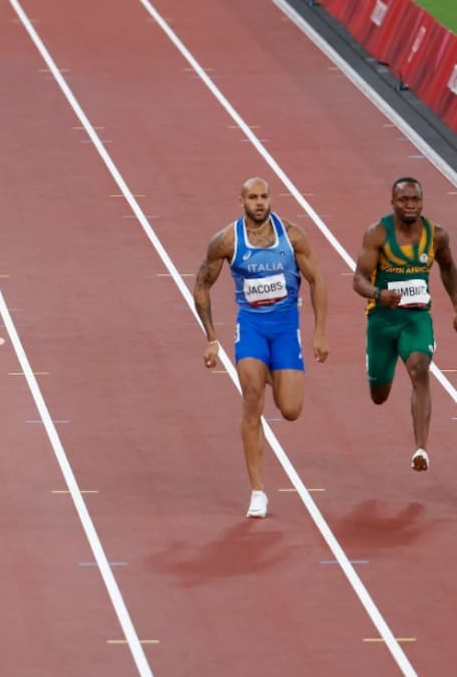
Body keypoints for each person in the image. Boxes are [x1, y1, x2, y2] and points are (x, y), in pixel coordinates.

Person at [193, 177, 328, 518]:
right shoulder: (226, 241)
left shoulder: (293, 235)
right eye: (252, 197)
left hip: (285, 327)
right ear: (241, 201)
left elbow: (317, 281)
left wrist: (320, 333)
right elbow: (201, 286)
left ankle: (272, 368)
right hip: (251, 326)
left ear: (271, 199)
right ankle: (257, 491)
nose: (259, 202)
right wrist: (211, 338)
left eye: (264, 196)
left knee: (290, 409)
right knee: (252, 399)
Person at [353, 176, 457, 472]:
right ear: (393, 202)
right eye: (403, 200)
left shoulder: (436, 235)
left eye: (415, 199)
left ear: (422, 202)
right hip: (382, 321)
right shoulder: (377, 234)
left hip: (416, 317)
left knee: (420, 369)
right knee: (379, 396)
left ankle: (421, 449)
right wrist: (378, 294)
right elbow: (358, 279)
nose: (410, 205)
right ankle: (375, 365)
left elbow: (448, 267)